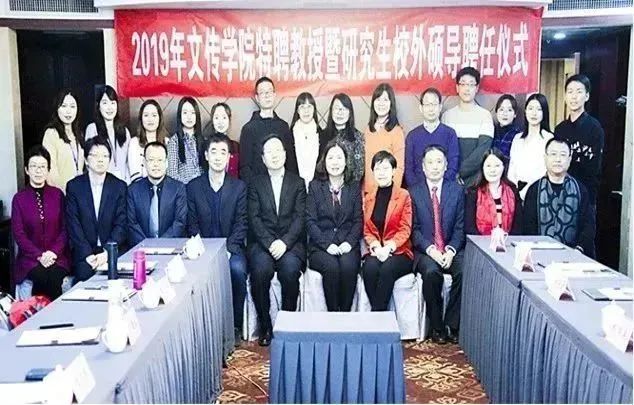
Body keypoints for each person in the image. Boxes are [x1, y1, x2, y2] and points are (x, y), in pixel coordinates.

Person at [187, 135, 248, 345]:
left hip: (231, 249)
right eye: (213, 151)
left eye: (223, 152)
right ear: (206, 155)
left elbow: (242, 223)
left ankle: (235, 326)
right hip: (202, 249)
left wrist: (228, 249)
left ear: (229, 157)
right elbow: (192, 224)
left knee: (237, 270)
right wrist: (202, 249)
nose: (218, 157)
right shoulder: (193, 187)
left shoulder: (239, 187)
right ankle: (201, 329)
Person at [247, 134, 306, 346]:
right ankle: (265, 325)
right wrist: (270, 242)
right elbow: (254, 218)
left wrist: (284, 242)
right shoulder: (255, 184)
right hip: (263, 243)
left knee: (290, 271)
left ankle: (287, 325)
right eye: (269, 152)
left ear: (285, 154)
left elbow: (300, 217)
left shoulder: (297, 183)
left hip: (291, 243)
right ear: (263, 158)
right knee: (260, 271)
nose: (274, 155)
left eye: (278, 150)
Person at [410, 145, 464, 344]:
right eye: (430, 162)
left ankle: (452, 324)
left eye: (439, 162)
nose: (435, 166)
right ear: (423, 167)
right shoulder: (413, 192)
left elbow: (460, 227)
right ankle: (437, 326)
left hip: (450, 248)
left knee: (464, 271)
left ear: (446, 165)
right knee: (432, 273)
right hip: (425, 251)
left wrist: (450, 250)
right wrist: (431, 250)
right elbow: (413, 230)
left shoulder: (456, 191)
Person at [306, 140, 362, 312]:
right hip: (321, 246)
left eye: (339, 157)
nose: (335, 162)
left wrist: (348, 243)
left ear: (346, 161)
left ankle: (344, 313)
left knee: (348, 267)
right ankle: (332, 314)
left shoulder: (354, 187)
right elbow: (310, 221)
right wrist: (326, 245)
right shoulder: (315, 187)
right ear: (324, 161)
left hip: (347, 244)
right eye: (331, 158)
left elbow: (358, 220)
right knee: (331, 267)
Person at [12, 146, 70, 300]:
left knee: (54, 276)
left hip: (57, 257)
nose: (38, 171)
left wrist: (53, 252)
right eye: (34, 166)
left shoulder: (58, 195)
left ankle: (55, 314)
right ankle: (40, 314)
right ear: (27, 170)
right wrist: (39, 255)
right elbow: (19, 234)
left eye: (43, 166)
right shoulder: (19, 198)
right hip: (30, 259)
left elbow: (65, 229)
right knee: (41, 276)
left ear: (48, 170)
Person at [66, 137, 127, 282]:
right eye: (95, 155)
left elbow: (121, 224)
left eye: (105, 156)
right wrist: (87, 254)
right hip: (85, 252)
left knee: (117, 277)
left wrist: (107, 253)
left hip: (112, 250)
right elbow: (73, 224)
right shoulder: (74, 186)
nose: (101, 160)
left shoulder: (119, 186)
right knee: (84, 276)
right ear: (86, 160)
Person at [523, 138, 594, 256]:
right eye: (553, 154)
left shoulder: (580, 190)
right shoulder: (534, 190)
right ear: (545, 158)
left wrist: (578, 250)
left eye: (563, 155)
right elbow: (528, 228)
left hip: (573, 256)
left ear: (570, 159)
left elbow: (588, 226)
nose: (558, 159)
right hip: (539, 254)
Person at [361, 151, 413, 311]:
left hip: (400, 252)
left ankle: (377, 315)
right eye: (377, 169)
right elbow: (367, 229)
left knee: (387, 269)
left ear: (393, 171)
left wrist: (389, 247)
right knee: (369, 269)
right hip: (376, 250)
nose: (381, 173)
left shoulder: (403, 195)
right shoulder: (368, 197)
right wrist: (376, 246)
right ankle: (380, 314)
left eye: (385, 168)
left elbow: (405, 229)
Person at [554, 74, 604, 206]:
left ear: (586, 96)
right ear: (565, 96)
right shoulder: (560, 129)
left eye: (579, 91)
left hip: (585, 195)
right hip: (561, 195)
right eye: (570, 92)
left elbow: (595, 168)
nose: (574, 96)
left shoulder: (595, 128)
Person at [442, 67, 494, 187]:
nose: (467, 88)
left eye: (471, 84)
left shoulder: (485, 115)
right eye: (463, 84)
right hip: (450, 180)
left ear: (477, 88)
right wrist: (452, 173)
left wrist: (460, 173)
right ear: (457, 88)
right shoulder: (447, 116)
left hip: (476, 180)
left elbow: (482, 150)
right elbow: (444, 149)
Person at [127, 142, 187, 246]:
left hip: (170, 247)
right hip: (141, 248)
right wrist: (147, 245)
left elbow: (179, 222)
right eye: (151, 160)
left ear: (167, 163)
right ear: (144, 162)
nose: (156, 164)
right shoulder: (133, 190)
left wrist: (159, 244)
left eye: (160, 160)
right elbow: (132, 224)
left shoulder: (178, 188)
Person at [239, 77, 298, 183]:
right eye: (262, 92)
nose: (266, 95)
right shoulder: (248, 129)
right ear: (257, 98)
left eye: (269, 92)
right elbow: (245, 167)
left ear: (274, 95)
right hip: (257, 188)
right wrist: (253, 189)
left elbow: (291, 163)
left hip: (282, 186)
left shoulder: (283, 127)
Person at [405, 87, 460, 187]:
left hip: (444, 189)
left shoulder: (450, 134)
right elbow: (409, 170)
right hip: (418, 190)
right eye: (427, 104)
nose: (431, 109)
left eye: (434, 104)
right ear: (421, 108)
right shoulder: (412, 136)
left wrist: (439, 188)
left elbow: (453, 166)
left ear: (440, 107)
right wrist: (419, 190)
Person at [465, 149, 523, 235]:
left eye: (497, 166)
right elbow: (469, 228)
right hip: (480, 241)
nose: (492, 170)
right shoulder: (473, 192)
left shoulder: (513, 191)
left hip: (507, 241)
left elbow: (518, 227)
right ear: (482, 168)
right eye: (488, 166)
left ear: (503, 167)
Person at [508, 93, 554, 199]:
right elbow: (512, 167)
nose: (534, 113)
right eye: (530, 108)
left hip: (539, 193)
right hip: (516, 193)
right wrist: (516, 189)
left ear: (544, 112)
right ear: (525, 111)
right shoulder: (517, 138)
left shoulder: (549, 139)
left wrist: (527, 190)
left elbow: (546, 170)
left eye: (539, 109)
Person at [363, 83, 405, 192]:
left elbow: (399, 167)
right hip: (368, 191)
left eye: (385, 100)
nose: (381, 103)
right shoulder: (368, 129)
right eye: (378, 99)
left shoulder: (397, 131)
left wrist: (392, 192)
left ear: (391, 104)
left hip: (387, 192)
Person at [85, 85, 131, 183]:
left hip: (123, 183)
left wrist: (127, 182)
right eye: (105, 103)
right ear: (98, 106)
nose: (109, 108)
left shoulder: (125, 131)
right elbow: (90, 160)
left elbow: (128, 161)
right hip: (101, 183)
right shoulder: (92, 129)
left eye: (113, 103)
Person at [42, 89, 84, 192]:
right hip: (61, 193)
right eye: (64, 106)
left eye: (72, 106)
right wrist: (61, 193)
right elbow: (51, 170)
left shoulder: (79, 134)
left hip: (79, 193)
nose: (68, 111)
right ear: (57, 108)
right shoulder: (51, 133)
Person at [323, 93, 365, 183]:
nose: (340, 112)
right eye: (336, 108)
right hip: (324, 187)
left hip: (350, 188)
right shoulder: (322, 135)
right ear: (331, 111)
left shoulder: (358, 137)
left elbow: (359, 171)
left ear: (350, 113)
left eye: (344, 109)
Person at [290, 92, 328, 188]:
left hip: (317, 187)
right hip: (295, 187)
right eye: (302, 107)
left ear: (314, 110)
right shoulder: (289, 135)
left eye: (309, 107)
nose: (306, 111)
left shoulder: (323, 135)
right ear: (297, 111)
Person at [128, 100, 169, 182]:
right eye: (146, 115)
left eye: (154, 115)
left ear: (159, 118)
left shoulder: (167, 142)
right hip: (140, 187)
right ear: (141, 119)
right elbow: (135, 175)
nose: (150, 119)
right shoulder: (134, 143)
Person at [166, 97, 204, 185]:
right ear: (180, 115)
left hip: (202, 189)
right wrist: (190, 186)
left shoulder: (202, 140)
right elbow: (172, 174)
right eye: (185, 113)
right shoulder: (174, 142)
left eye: (192, 113)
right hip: (183, 189)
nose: (189, 117)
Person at [205, 102, 240, 178]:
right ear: (212, 121)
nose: (220, 122)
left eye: (224, 117)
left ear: (229, 120)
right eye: (216, 118)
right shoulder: (205, 145)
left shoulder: (236, 146)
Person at [492, 94, 522, 159]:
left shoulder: (518, 135)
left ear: (515, 114)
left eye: (509, 110)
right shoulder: (491, 131)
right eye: (501, 109)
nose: (505, 113)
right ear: (496, 112)